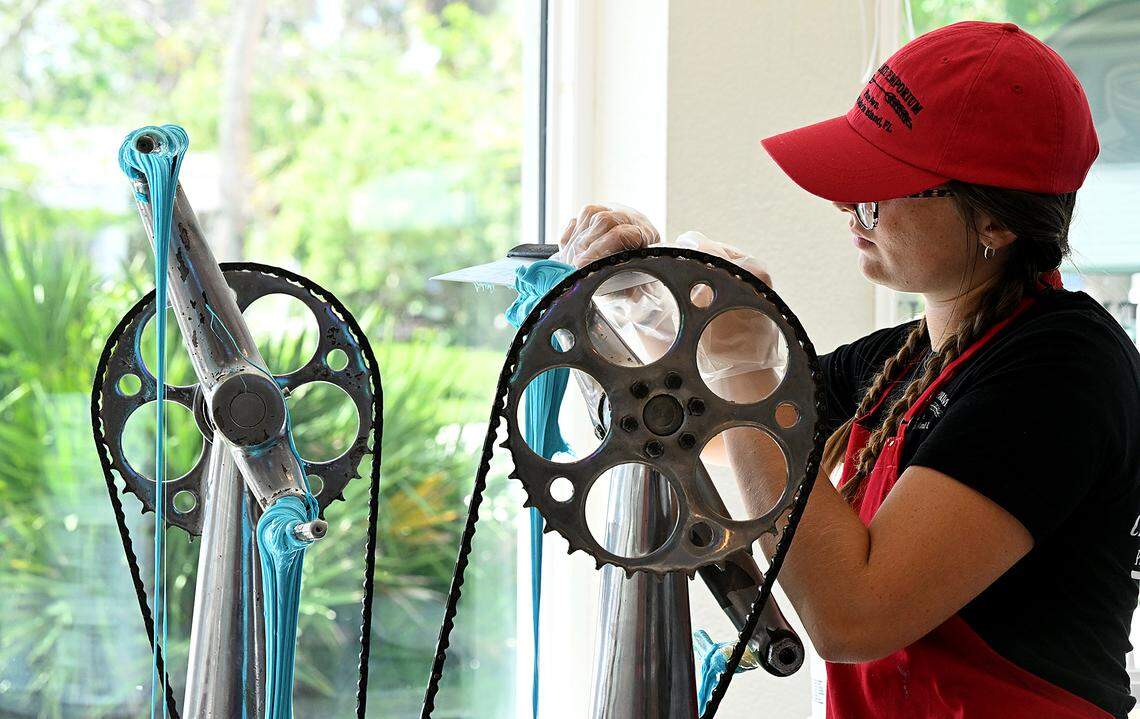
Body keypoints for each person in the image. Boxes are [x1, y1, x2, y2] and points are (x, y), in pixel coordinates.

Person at [555, 21, 1140, 719]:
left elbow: (853, 615)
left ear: (996, 222)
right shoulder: (905, 359)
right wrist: (647, 308)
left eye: (879, 188)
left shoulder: (1061, 371)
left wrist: (746, 369)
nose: (846, 206)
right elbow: (722, 446)